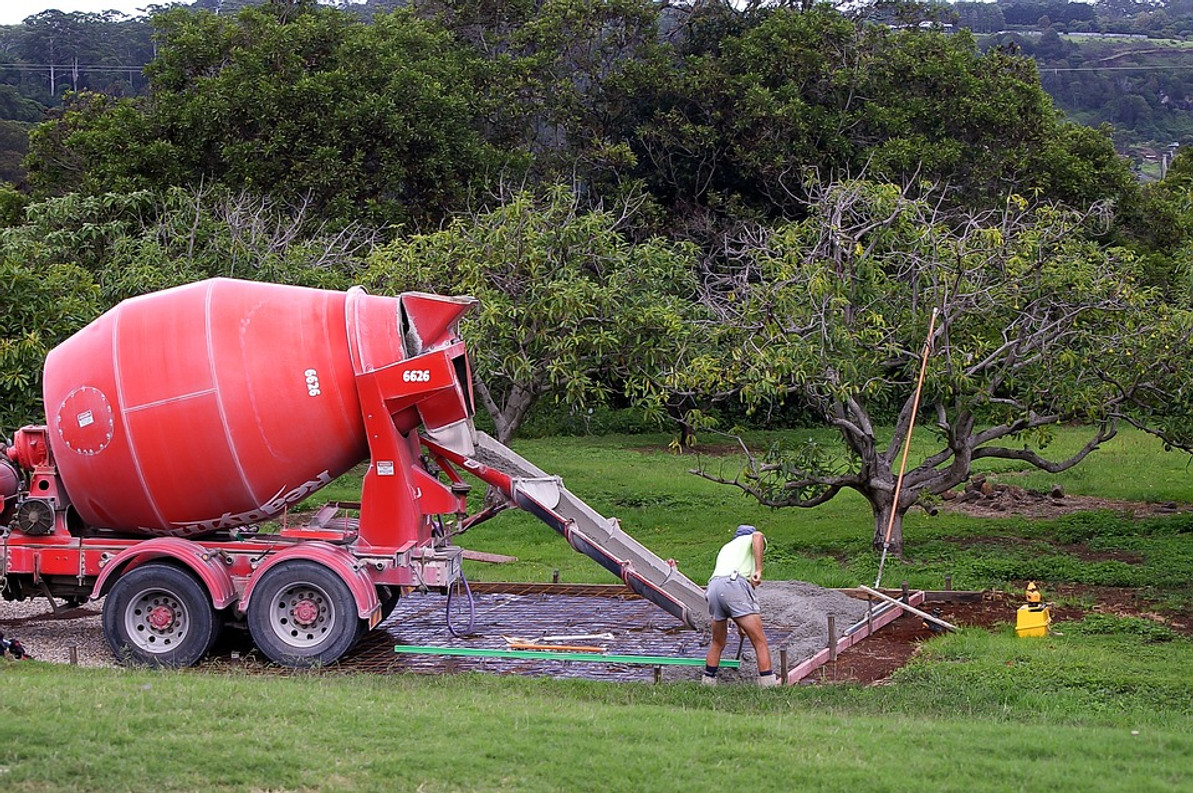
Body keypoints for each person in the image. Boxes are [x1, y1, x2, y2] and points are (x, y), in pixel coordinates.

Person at [702, 524, 777, 687]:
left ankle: (708, 682)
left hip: (713, 587)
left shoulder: (727, 548)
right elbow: (757, 536)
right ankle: (768, 683)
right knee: (760, 641)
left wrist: (740, 625)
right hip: (734, 583)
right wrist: (758, 569)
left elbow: (728, 599)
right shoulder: (750, 538)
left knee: (717, 642)